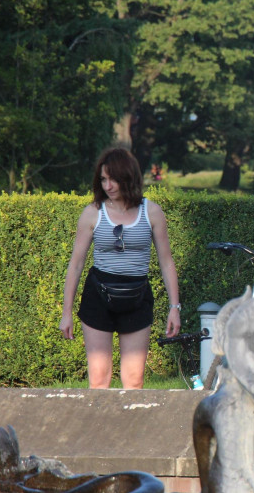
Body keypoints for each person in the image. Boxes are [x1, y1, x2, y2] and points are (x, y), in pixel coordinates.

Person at [60, 148, 181, 388]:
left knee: (134, 381)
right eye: (103, 179)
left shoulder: (152, 212)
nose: (108, 186)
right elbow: (76, 265)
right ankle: (99, 427)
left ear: (128, 177)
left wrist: (174, 307)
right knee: (99, 380)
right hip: (98, 297)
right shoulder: (92, 213)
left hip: (137, 297)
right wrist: (66, 312)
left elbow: (166, 262)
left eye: (113, 179)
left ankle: (131, 427)